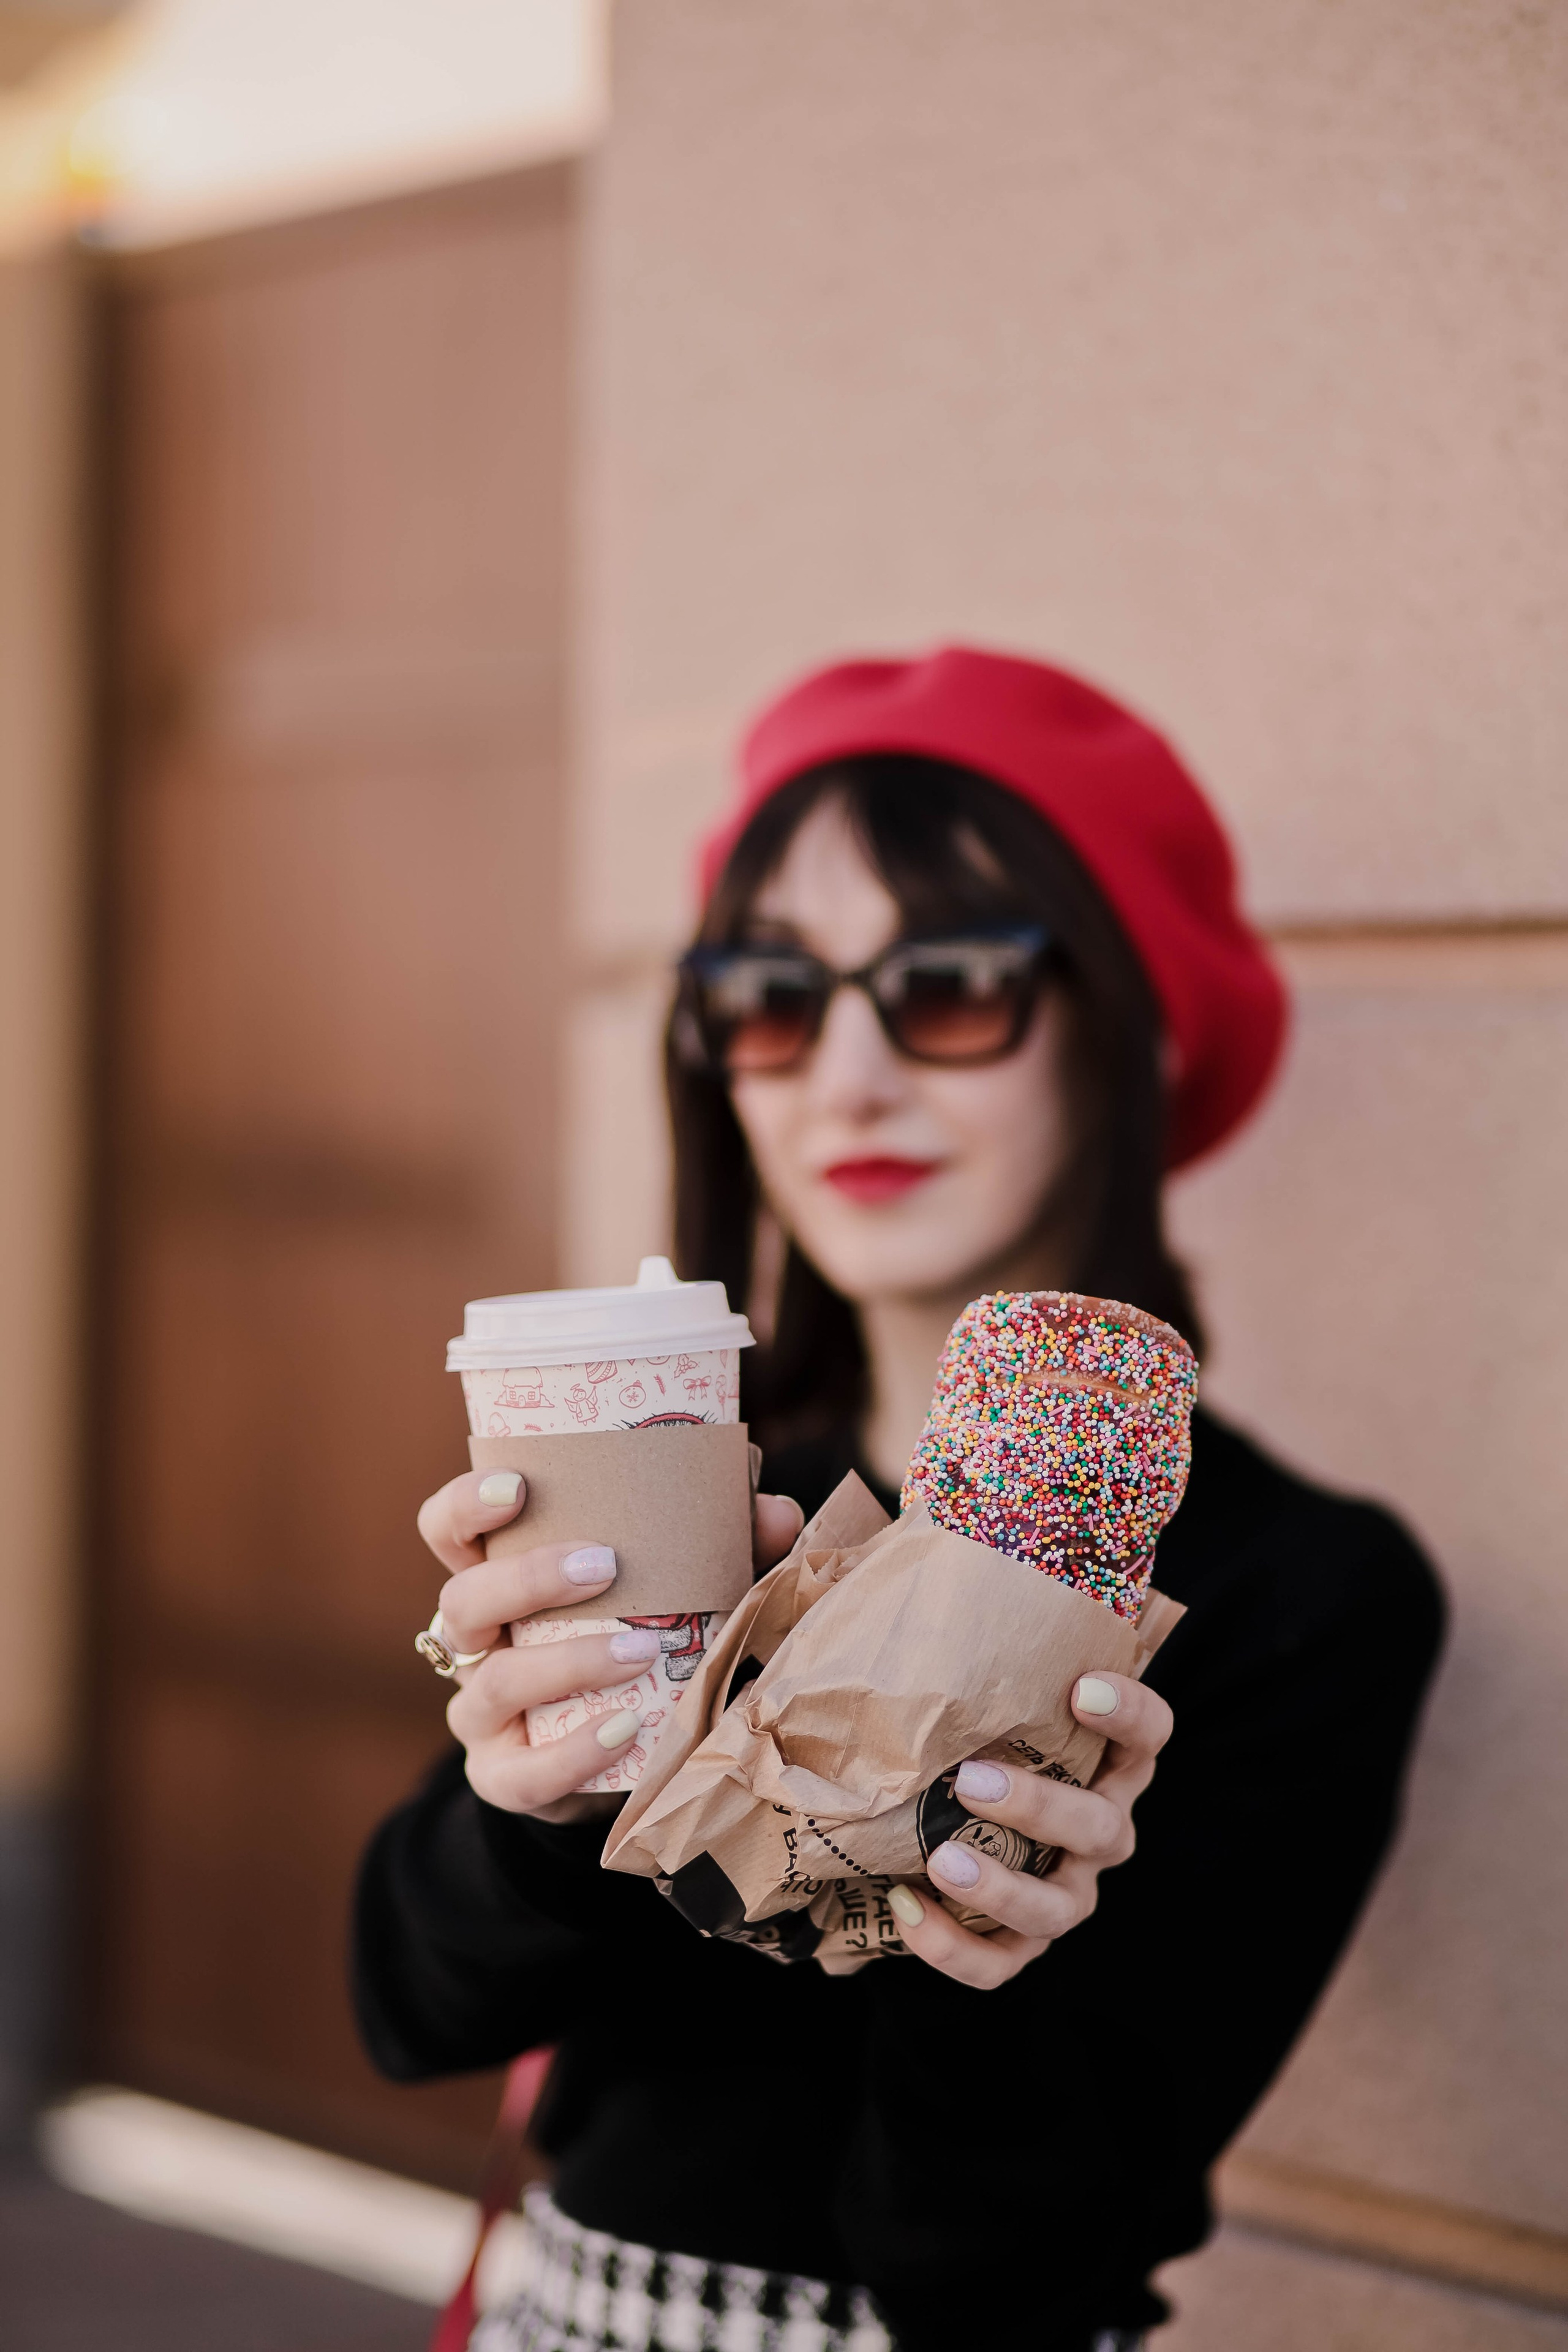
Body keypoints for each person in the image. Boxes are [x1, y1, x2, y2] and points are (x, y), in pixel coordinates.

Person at [355, 647, 1444, 2352]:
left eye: (947, 984)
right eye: (772, 997)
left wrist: (985, 1939)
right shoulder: (713, 1494)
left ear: (1129, 1033)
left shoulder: (1295, 1589)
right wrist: (529, 1798)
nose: (845, 1076)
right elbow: (409, 2010)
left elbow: (988, 2263)